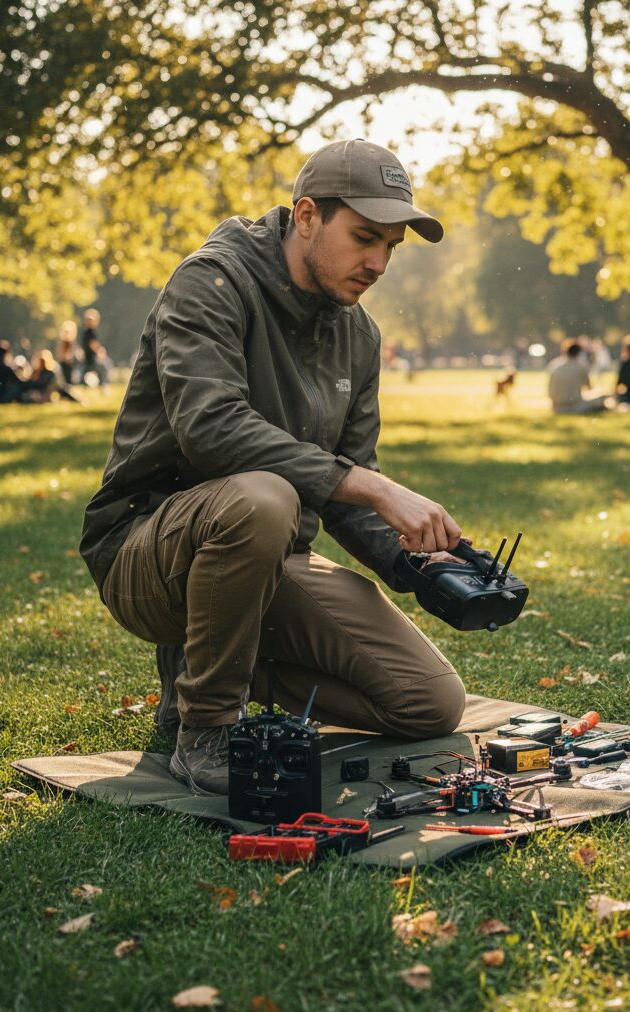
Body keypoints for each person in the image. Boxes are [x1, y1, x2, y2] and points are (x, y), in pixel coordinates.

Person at [80, 139, 466, 797]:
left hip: (271, 560)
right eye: (365, 237)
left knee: (429, 704)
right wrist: (372, 486)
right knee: (264, 498)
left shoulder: (359, 334)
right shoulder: (210, 282)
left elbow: (347, 490)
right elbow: (211, 429)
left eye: (392, 247)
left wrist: (418, 564)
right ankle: (204, 728)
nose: (378, 263)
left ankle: (209, 661)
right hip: (145, 553)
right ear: (307, 215)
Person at [547, 339, 610, 413]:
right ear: (579, 353)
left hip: (556, 407)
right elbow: (588, 388)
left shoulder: (554, 365)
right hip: (575, 406)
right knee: (602, 397)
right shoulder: (580, 367)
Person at [80, 308, 101, 382]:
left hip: (87, 355)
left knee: (87, 369)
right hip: (90, 355)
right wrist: (99, 351)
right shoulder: (91, 332)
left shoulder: (85, 331)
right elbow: (92, 344)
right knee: (93, 369)